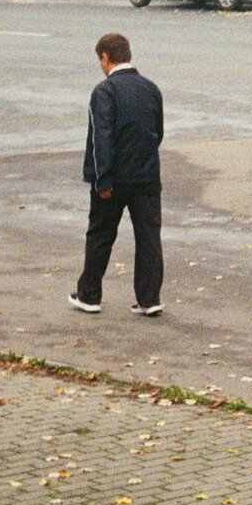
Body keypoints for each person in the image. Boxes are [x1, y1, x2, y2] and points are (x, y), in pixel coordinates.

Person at [70, 32, 165, 317]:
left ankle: (89, 295)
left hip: (114, 179)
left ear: (105, 57)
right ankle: (149, 298)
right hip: (147, 176)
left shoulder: (105, 91)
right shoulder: (151, 89)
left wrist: (102, 179)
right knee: (148, 237)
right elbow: (157, 132)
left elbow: (102, 138)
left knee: (100, 234)